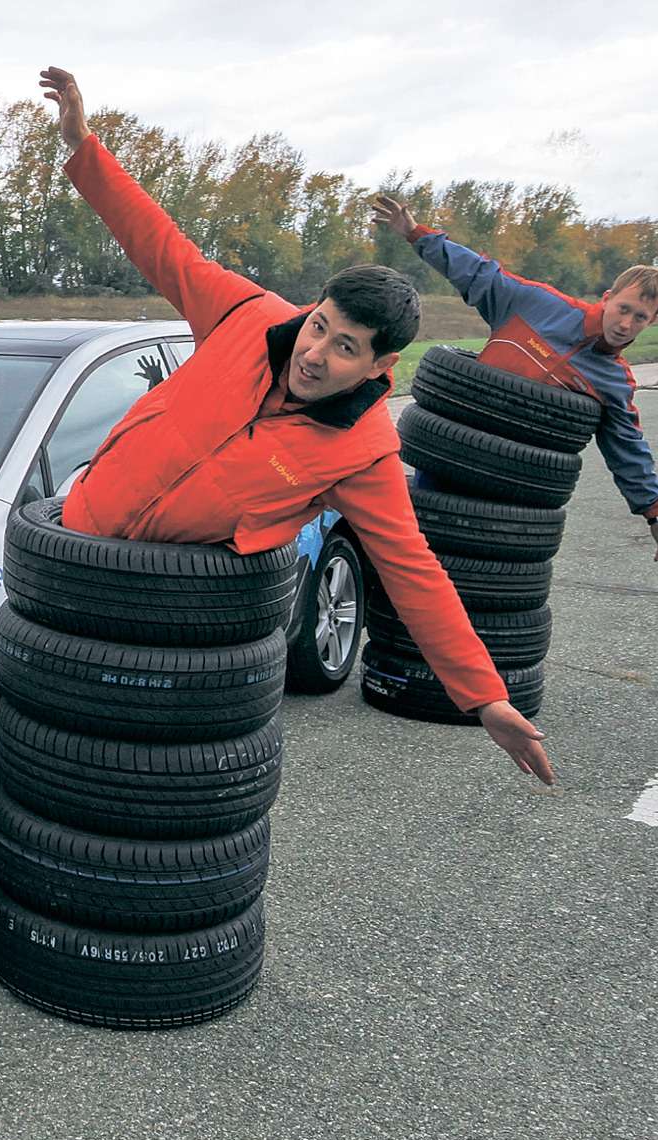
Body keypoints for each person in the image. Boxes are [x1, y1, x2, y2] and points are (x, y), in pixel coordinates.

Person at [39, 66, 555, 785]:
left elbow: (415, 574)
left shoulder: (364, 452)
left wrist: (485, 696)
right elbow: (158, 244)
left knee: (130, 779)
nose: (314, 354)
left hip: (173, 616)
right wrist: (83, 146)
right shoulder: (245, 315)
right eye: (320, 326)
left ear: (380, 365)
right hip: (71, 556)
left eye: (345, 348)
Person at [371, 194, 658, 569]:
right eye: (623, 308)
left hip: (516, 488)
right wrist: (415, 233)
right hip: (452, 453)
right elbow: (476, 272)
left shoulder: (614, 381)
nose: (626, 324)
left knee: (486, 574)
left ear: (651, 322)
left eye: (640, 317)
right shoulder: (538, 305)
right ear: (607, 298)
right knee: (410, 554)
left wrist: (654, 514)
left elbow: (628, 447)